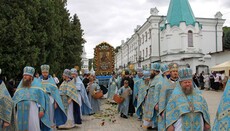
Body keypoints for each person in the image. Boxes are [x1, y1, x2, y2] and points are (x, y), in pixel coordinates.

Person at [13, 66, 50, 131]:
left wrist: (41, 110)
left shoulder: (37, 84)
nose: (24, 77)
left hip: (32, 110)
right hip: (20, 110)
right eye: (24, 75)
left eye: (26, 75)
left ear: (31, 76)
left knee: (33, 125)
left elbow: (42, 98)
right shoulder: (21, 84)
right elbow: (15, 97)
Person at [39, 65, 67, 129]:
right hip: (41, 101)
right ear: (41, 72)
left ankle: (51, 128)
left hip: (50, 100)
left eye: (46, 72)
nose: (45, 74)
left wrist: (56, 102)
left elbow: (56, 93)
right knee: (42, 116)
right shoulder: (38, 81)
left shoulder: (51, 81)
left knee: (51, 116)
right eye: (43, 72)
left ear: (48, 72)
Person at [158, 63, 179, 131]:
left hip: (180, 108)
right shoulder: (165, 83)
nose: (175, 73)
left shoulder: (181, 83)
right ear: (170, 72)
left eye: (176, 71)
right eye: (173, 71)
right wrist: (162, 111)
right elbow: (162, 98)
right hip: (169, 109)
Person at [142, 62, 162, 129]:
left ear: (154, 71)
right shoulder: (153, 77)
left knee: (154, 113)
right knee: (149, 113)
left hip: (155, 99)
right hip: (150, 99)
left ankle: (155, 125)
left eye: (151, 70)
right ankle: (150, 125)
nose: (150, 72)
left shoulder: (159, 78)